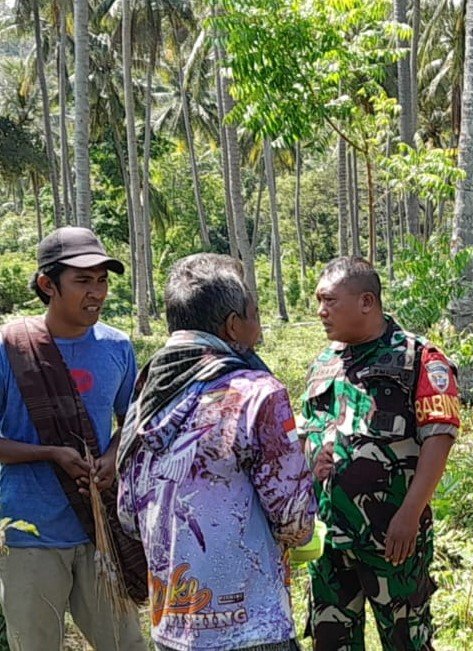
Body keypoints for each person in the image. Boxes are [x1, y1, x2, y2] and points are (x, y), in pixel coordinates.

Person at [117, 253, 316, 651]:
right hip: (253, 627)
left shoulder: (145, 395)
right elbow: (296, 523)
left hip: (172, 623)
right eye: (254, 315)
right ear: (232, 325)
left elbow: (127, 513)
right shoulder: (257, 393)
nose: (258, 330)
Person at [0, 227, 147, 650]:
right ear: (48, 284)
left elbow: (133, 422)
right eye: (83, 280)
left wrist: (112, 456)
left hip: (98, 529)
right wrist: (50, 453)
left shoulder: (117, 347)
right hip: (31, 534)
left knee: (126, 644)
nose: (96, 292)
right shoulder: (12, 348)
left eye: (102, 280)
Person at [302, 257, 458, 650]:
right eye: (318, 301)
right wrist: (311, 454)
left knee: (405, 638)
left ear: (367, 302)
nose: (321, 311)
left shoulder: (419, 358)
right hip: (329, 539)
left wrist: (410, 514)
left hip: (392, 537)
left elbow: (439, 439)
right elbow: (307, 429)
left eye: (329, 301)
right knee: (330, 639)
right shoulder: (324, 364)